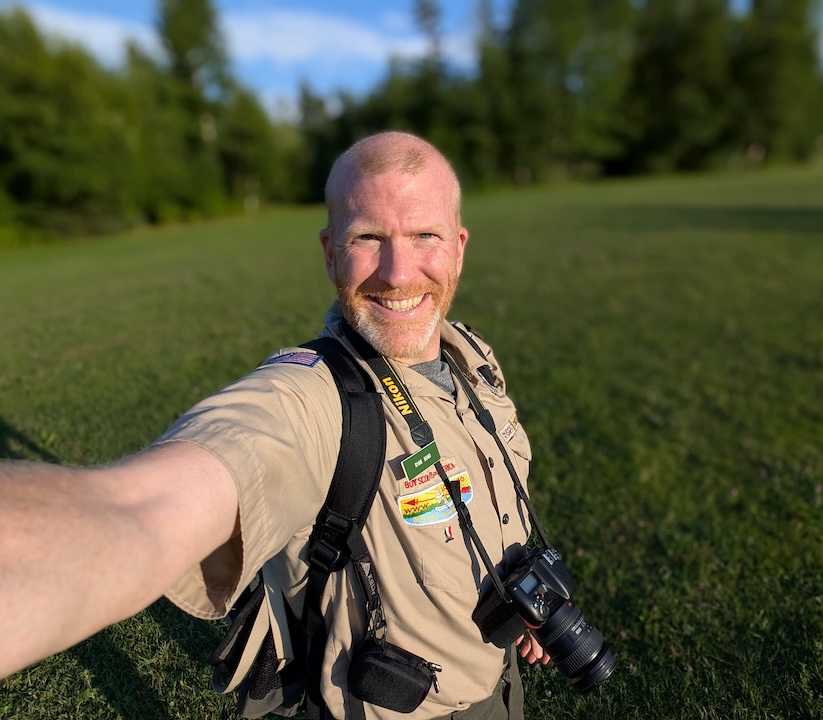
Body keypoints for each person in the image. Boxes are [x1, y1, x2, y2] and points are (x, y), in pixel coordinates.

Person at [0, 131, 548, 719]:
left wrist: (523, 593)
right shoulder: (312, 398)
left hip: (501, 679)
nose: (397, 271)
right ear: (331, 252)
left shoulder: (471, 356)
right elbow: (142, 509)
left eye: (424, 235)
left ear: (458, 247)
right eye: (368, 237)